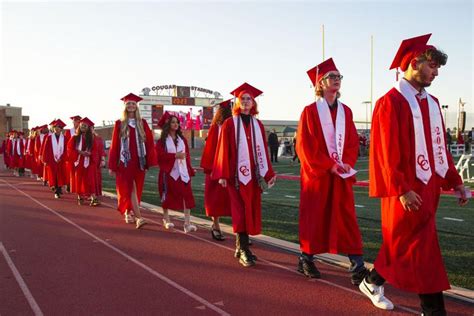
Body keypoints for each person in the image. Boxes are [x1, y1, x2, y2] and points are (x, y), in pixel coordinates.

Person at [363, 34, 469, 314]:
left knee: (407, 245)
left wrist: (456, 182)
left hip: (429, 186)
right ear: (413, 63)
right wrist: (400, 189)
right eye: (432, 66)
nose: (435, 72)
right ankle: (433, 309)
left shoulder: (432, 102)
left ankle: (372, 280)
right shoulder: (391, 102)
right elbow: (387, 151)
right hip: (405, 189)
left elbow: (440, 148)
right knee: (420, 248)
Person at [296, 58, 368, 285]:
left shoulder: (346, 111)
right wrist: (329, 165)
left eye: (339, 77)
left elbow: (352, 142)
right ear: (320, 82)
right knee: (315, 218)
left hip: (340, 176)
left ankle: (357, 266)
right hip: (318, 176)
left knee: (347, 219)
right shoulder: (309, 112)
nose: (337, 80)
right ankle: (306, 258)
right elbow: (305, 146)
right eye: (332, 76)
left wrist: (345, 162)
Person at [213, 83, 276, 267]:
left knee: (249, 210)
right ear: (237, 102)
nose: (246, 101)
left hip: (254, 177)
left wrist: (268, 173)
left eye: (249, 99)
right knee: (240, 211)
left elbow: (263, 150)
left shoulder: (258, 124)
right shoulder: (229, 124)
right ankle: (243, 249)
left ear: (253, 102)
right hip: (235, 177)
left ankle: (241, 247)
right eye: (243, 99)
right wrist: (223, 174)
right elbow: (223, 149)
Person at [108, 93, 157, 229]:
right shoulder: (120, 124)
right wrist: (112, 165)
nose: (131, 106)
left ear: (136, 106)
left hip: (139, 160)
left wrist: (149, 161)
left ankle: (128, 211)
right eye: (128, 103)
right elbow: (115, 145)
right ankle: (139, 217)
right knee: (130, 188)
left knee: (137, 188)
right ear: (125, 106)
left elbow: (149, 143)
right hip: (125, 161)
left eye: (133, 104)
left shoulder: (142, 123)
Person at [155, 112, 197, 233]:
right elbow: (160, 156)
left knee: (187, 196)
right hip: (169, 172)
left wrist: (189, 169)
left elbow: (186, 156)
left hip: (183, 171)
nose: (176, 124)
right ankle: (166, 219)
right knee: (167, 196)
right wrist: (174, 155)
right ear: (167, 124)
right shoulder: (161, 142)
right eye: (173, 122)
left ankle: (187, 223)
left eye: (177, 122)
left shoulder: (182, 139)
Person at [200, 99, 233, 241]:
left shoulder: (235, 125)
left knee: (234, 199)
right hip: (218, 166)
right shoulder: (216, 127)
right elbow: (211, 149)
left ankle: (239, 232)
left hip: (231, 167)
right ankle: (215, 226)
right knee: (216, 198)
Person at [67, 117, 100, 206]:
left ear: (88, 127)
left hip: (89, 161)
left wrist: (90, 153)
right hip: (79, 161)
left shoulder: (92, 138)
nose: (83, 127)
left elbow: (96, 149)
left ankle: (93, 197)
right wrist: (79, 152)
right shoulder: (75, 138)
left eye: (85, 125)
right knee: (79, 179)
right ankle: (80, 196)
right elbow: (70, 149)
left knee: (90, 179)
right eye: (82, 125)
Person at [41, 119, 68, 198]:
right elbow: (45, 149)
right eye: (55, 127)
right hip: (51, 160)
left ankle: (59, 189)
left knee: (60, 175)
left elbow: (66, 150)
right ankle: (56, 190)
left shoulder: (65, 138)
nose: (57, 128)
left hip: (61, 160)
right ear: (53, 128)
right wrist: (45, 159)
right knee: (54, 175)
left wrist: (62, 157)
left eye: (58, 127)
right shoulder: (49, 138)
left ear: (61, 129)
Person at [65, 115, 82, 193]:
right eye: (75, 122)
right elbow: (66, 144)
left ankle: (79, 187)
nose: (77, 123)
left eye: (78, 122)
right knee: (71, 171)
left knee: (79, 171)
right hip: (71, 154)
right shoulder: (69, 132)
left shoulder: (82, 131)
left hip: (81, 154)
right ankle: (69, 185)